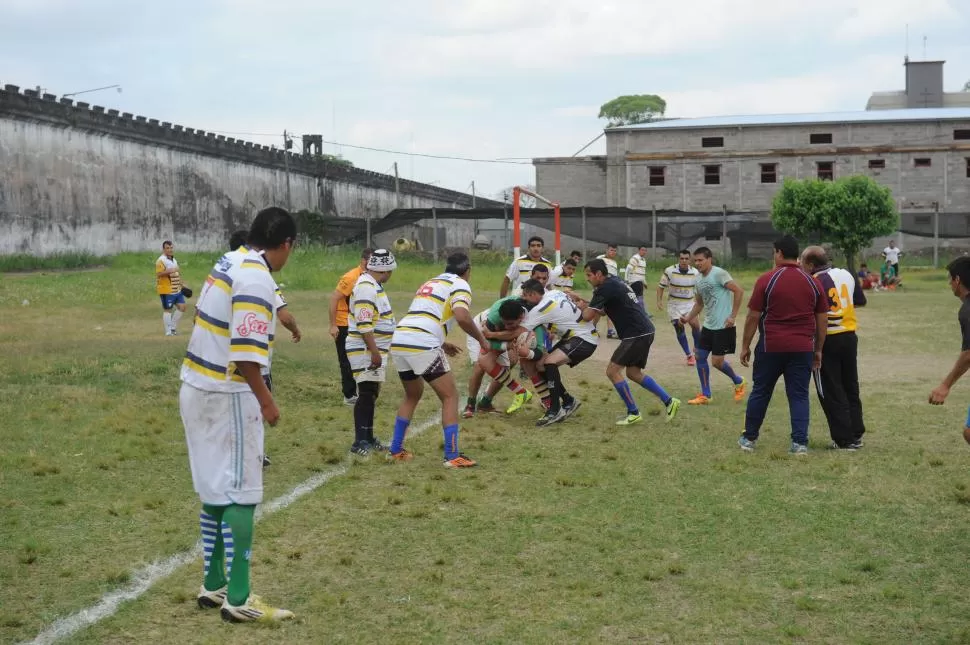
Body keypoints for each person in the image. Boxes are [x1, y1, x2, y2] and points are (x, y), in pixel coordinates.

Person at [180, 207, 297, 622]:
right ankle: (240, 598)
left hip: (195, 384)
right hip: (227, 391)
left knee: (214, 490)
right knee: (243, 492)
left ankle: (213, 586)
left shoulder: (230, 260)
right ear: (286, 244)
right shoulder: (256, 277)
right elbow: (247, 353)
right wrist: (266, 401)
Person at [388, 252, 490, 468]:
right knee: (450, 396)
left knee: (412, 394)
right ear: (467, 271)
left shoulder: (431, 282)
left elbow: (424, 315)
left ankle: (395, 450)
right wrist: (482, 339)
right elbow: (462, 316)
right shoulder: (461, 284)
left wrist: (442, 343)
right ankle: (452, 456)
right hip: (422, 341)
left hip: (400, 338)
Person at [738, 236, 828, 455]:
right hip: (802, 348)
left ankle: (749, 438)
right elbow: (822, 318)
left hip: (771, 347)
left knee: (761, 391)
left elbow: (752, 316)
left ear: (778, 253)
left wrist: (745, 345)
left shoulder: (767, 279)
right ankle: (799, 443)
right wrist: (818, 349)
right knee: (798, 395)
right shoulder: (812, 281)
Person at [228, 230, 302, 468]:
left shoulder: (224, 272)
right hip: (251, 357)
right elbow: (284, 314)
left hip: (222, 358)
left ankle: (240, 450)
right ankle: (253, 452)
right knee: (255, 403)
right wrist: (295, 330)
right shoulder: (260, 276)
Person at [575, 259, 681, 425]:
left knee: (612, 371)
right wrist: (585, 302)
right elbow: (602, 311)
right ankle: (669, 401)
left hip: (636, 333)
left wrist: (580, 306)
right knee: (633, 373)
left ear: (598, 274)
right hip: (644, 330)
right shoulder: (614, 282)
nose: (587, 278)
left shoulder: (604, 288)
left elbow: (588, 316)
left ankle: (633, 412)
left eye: (589, 275)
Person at [801, 246, 866, 450]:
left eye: (802, 262)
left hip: (827, 338)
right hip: (849, 335)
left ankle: (843, 439)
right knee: (850, 386)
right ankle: (855, 432)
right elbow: (860, 301)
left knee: (829, 389)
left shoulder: (812, 281)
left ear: (811, 265)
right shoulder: (845, 273)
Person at [463, 266, 549, 417]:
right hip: (481, 331)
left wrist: (529, 353)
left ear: (521, 318)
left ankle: (485, 402)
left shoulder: (533, 313)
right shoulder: (495, 316)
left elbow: (540, 348)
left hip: (501, 332)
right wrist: (507, 344)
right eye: (507, 324)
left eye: (512, 325)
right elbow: (487, 340)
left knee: (511, 364)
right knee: (482, 363)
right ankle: (470, 404)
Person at [518, 279, 597, 426]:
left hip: (584, 339)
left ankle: (555, 410)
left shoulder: (539, 309)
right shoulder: (554, 292)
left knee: (549, 362)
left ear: (534, 294)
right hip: (578, 335)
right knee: (541, 365)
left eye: (525, 295)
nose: (524, 298)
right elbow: (571, 300)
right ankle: (568, 401)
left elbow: (521, 331)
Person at [345, 249, 398, 456]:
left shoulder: (374, 285)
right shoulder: (366, 287)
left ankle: (368, 436)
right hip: (365, 349)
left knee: (371, 393)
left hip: (373, 348)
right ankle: (359, 441)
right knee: (366, 393)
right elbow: (364, 323)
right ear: (384, 270)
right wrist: (374, 352)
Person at [680, 247, 746, 405]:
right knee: (699, 356)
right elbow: (699, 303)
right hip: (709, 326)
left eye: (700, 260)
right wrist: (688, 317)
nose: (697, 263)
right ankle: (706, 394)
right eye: (695, 261)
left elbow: (739, 291)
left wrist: (733, 316)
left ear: (709, 259)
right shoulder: (698, 280)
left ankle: (738, 381)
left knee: (717, 362)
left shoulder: (719, 274)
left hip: (723, 326)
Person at [929, 257, 970, 447]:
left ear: (958, 280)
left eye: (950, 278)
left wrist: (945, 385)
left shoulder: (967, 311)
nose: (949, 283)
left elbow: (969, 354)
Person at [329, 248, 372, 405]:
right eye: (368, 261)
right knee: (346, 360)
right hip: (344, 323)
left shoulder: (371, 278)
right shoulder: (351, 277)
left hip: (360, 323)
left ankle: (363, 390)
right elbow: (334, 299)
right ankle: (349, 395)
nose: (371, 265)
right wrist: (333, 325)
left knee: (363, 357)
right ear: (362, 261)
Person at [657, 249, 701, 366]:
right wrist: (659, 301)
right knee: (679, 328)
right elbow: (661, 286)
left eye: (686, 258)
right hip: (674, 305)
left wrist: (699, 302)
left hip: (689, 304)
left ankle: (696, 349)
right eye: (682, 258)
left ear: (690, 259)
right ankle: (689, 355)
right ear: (678, 259)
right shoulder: (670, 271)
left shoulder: (695, 272)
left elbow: (699, 289)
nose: (684, 261)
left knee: (696, 326)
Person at [156, 240, 188, 336]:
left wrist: (182, 284)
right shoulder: (160, 260)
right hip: (166, 289)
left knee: (182, 307)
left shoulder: (174, 260)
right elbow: (159, 273)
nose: (170, 250)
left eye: (171, 248)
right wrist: (172, 270)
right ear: (163, 249)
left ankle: (173, 328)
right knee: (167, 309)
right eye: (167, 248)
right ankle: (168, 331)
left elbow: (176, 273)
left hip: (176, 289)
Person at [596, 244, 621, 339]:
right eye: (611, 250)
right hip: (601, 288)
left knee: (611, 309)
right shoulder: (600, 259)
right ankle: (591, 328)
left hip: (612, 289)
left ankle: (610, 331)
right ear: (606, 250)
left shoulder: (614, 263)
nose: (613, 252)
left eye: (615, 251)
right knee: (597, 309)